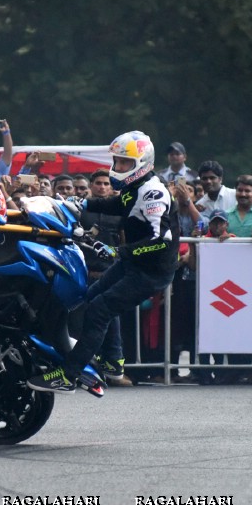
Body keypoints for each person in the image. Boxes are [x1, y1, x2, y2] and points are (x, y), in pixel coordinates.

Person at [28, 131, 179, 393]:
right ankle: (114, 362)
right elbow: (117, 204)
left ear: (142, 162)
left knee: (100, 309)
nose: (118, 168)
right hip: (135, 264)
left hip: (152, 271)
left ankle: (68, 375)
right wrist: (82, 204)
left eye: (124, 163)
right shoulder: (136, 188)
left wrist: (119, 252)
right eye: (118, 162)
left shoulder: (153, 193)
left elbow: (161, 240)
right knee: (89, 297)